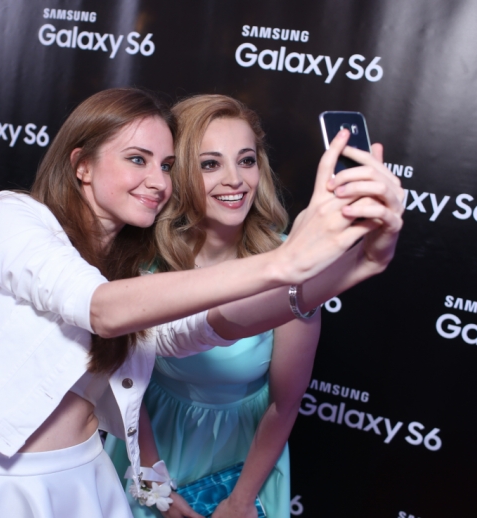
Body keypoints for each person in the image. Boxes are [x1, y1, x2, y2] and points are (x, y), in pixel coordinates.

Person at [0, 88, 399, 518]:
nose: (159, 181)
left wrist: (356, 267)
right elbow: (100, 308)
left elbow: (204, 327)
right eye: (137, 159)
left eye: (166, 166)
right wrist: (284, 262)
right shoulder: (9, 216)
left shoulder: (126, 267)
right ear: (81, 165)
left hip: (88, 474)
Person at [105, 94, 405, 518]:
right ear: (180, 171)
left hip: (245, 457)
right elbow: (127, 381)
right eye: (210, 164)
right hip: (148, 442)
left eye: (246, 161)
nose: (235, 180)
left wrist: (241, 499)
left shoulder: (294, 260)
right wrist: (154, 484)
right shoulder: (144, 260)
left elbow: (285, 404)